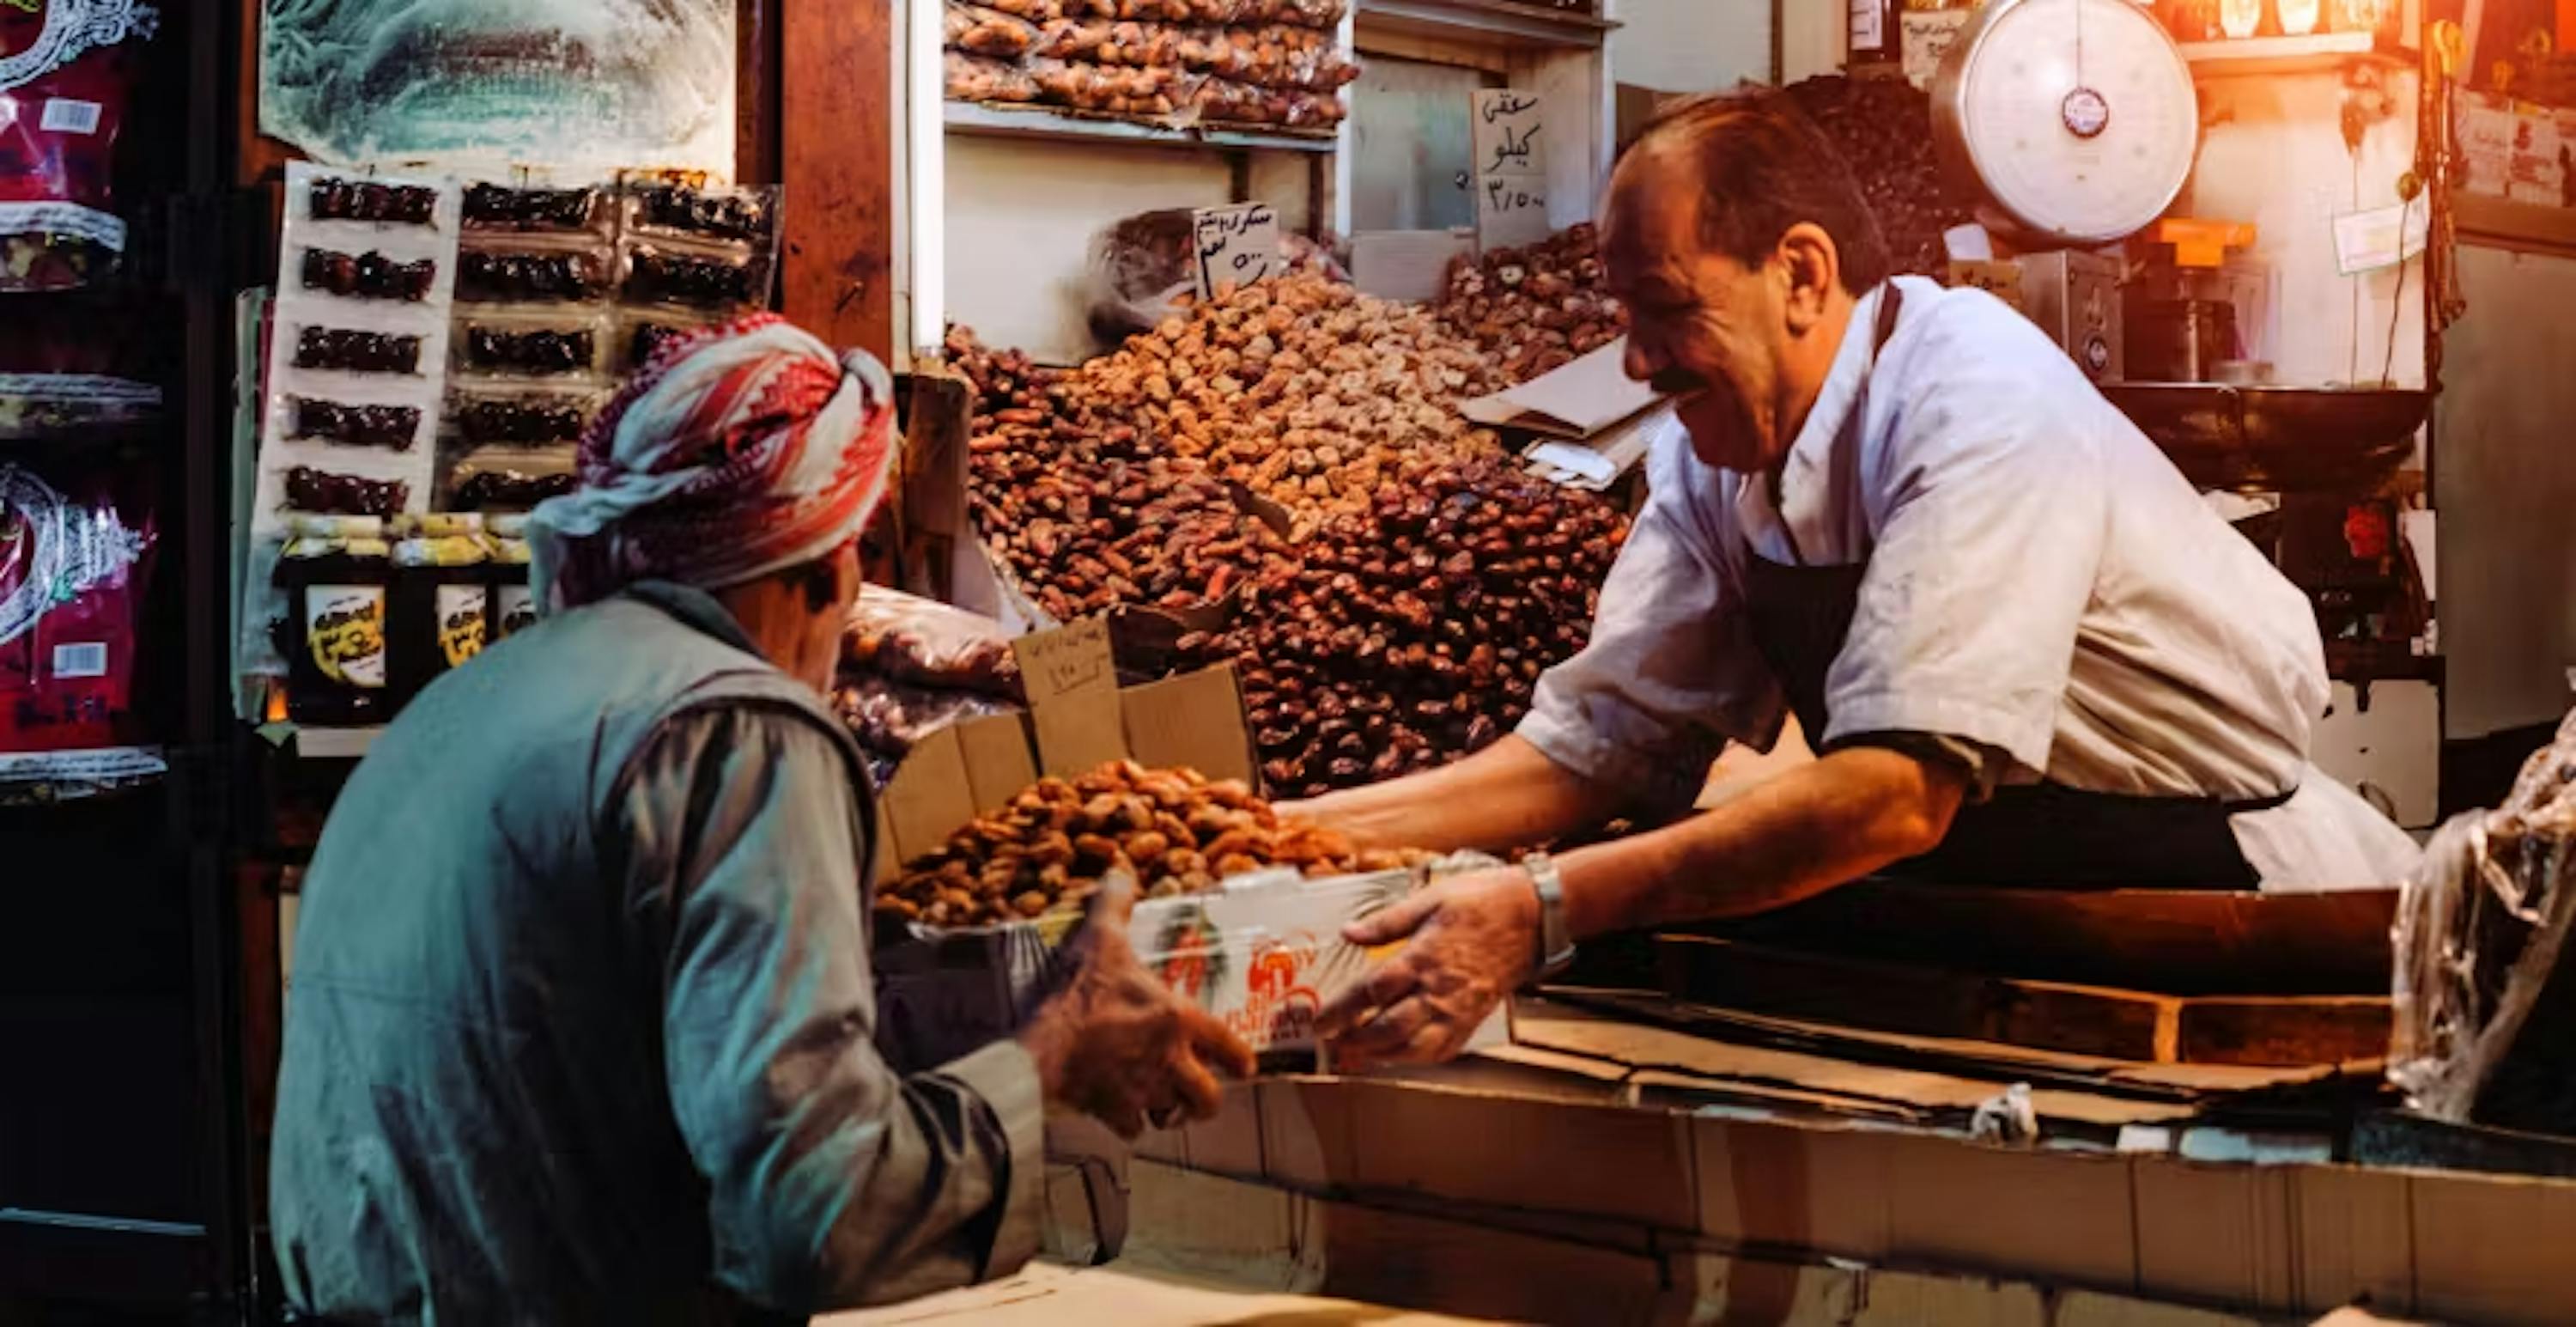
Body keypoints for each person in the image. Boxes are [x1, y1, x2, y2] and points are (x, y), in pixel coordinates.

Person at [1294, 88, 2421, 1068]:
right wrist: (1283, 837)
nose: (1635, 361)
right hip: (1984, 904)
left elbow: (1895, 792)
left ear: (1799, 273)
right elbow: (1600, 748)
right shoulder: (1707, 452)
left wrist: (1543, 905)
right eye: (1625, 316)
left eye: (1668, 308)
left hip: (2210, 905)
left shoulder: (1969, 395)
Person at [269, 315, 1254, 1322]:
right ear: (833, 571)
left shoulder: (465, 703)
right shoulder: (738, 732)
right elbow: (817, 1216)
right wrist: (1049, 1058)